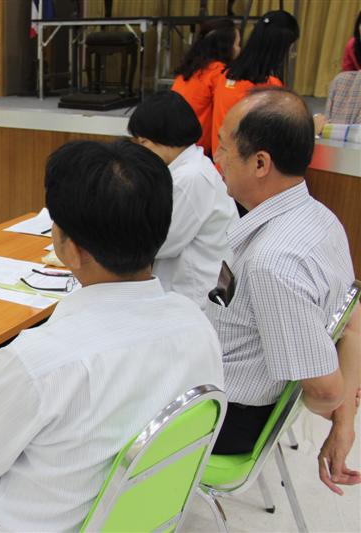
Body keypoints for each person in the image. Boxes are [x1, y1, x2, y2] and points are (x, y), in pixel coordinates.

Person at [0, 140, 225, 532]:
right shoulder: (196, 323)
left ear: (72, 249)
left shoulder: (46, 359)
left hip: (28, 523)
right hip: (133, 512)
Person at [209, 87, 360, 494]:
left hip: (227, 417)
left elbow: (324, 389)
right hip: (238, 394)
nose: (217, 158)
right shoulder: (322, 219)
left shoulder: (272, 262)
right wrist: (346, 423)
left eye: (223, 148)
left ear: (260, 163)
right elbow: (353, 324)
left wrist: (338, 417)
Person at [128, 91, 237, 306]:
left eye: (144, 142)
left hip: (196, 295)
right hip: (187, 288)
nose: (141, 151)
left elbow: (161, 242)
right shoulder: (187, 168)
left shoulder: (190, 177)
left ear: (165, 139)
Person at [211, 10, 299, 154]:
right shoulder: (270, 88)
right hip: (245, 164)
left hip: (220, 160)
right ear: (281, 48)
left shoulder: (226, 74)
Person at [171, 18, 240, 155]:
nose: (239, 49)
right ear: (226, 46)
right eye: (238, 44)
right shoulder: (219, 73)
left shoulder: (189, 69)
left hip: (173, 143)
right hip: (196, 149)